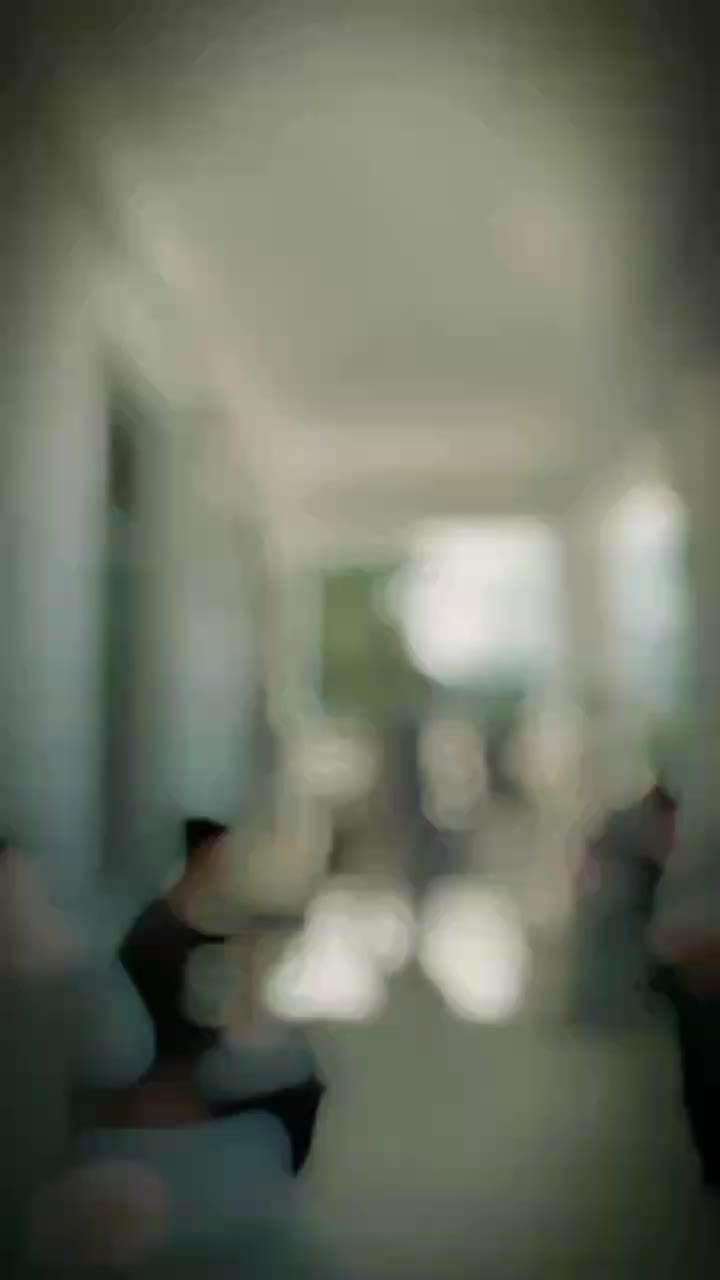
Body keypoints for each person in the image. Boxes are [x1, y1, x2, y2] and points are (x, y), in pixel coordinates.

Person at [93, 817, 326, 1175]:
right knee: (298, 1091)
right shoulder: (160, 934)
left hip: (192, 1065)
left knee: (297, 1075)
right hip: (174, 1077)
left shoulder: (183, 925)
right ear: (205, 856)